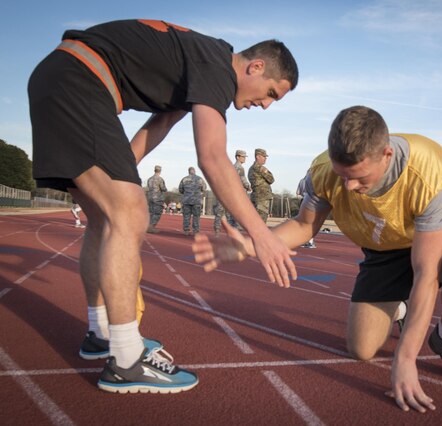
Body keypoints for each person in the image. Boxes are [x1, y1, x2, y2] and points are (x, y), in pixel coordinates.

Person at [28, 19, 299, 394]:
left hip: (63, 76)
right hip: (79, 80)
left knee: (105, 216)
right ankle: (126, 360)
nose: (266, 105)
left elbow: (161, 122)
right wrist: (262, 235)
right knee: (129, 211)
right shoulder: (218, 67)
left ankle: (100, 334)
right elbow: (213, 158)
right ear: (255, 67)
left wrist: (122, 170)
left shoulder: (200, 65)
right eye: (271, 93)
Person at [194, 106, 442, 413]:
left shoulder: (428, 168)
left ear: (387, 155)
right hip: (383, 249)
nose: (348, 187)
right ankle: (399, 309)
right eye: (342, 175)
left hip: (428, 238)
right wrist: (251, 244)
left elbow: (426, 272)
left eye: (358, 177)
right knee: (361, 349)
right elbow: (304, 225)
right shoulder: (324, 171)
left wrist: (405, 359)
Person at [248, 148, 275, 223]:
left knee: (255, 222)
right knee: (261, 222)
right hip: (262, 199)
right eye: (264, 156)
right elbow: (271, 179)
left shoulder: (251, 169)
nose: (265, 158)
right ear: (258, 156)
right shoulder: (260, 168)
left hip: (255, 197)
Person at [179, 167, 207, 235]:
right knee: (196, 216)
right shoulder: (200, 179)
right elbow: (204, 188)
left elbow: (181, 190)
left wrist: (187, 193)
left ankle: (186, 230)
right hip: (196, 200)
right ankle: (195, 231)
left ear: (188, 171)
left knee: (186, 216)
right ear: (194, 171)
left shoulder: (184, 179)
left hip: (186, 200)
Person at [296, 172, 316, 248]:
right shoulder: (312, 180)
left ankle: (303, 240)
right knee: (311, 222)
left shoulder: (301, 181)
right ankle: (310, 242)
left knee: (303, 221)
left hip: (303, 200)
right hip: (310, 201)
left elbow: (298, 193)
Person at [146, 165, 167, 234]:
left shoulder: (149, 179)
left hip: (150, 197)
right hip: (157, 198)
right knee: (157, 213)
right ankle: (151, 227)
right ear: (160, 171)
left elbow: (149, 187)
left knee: (151, 212)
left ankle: (148, 226)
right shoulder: (160, 179)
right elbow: (163, 188)